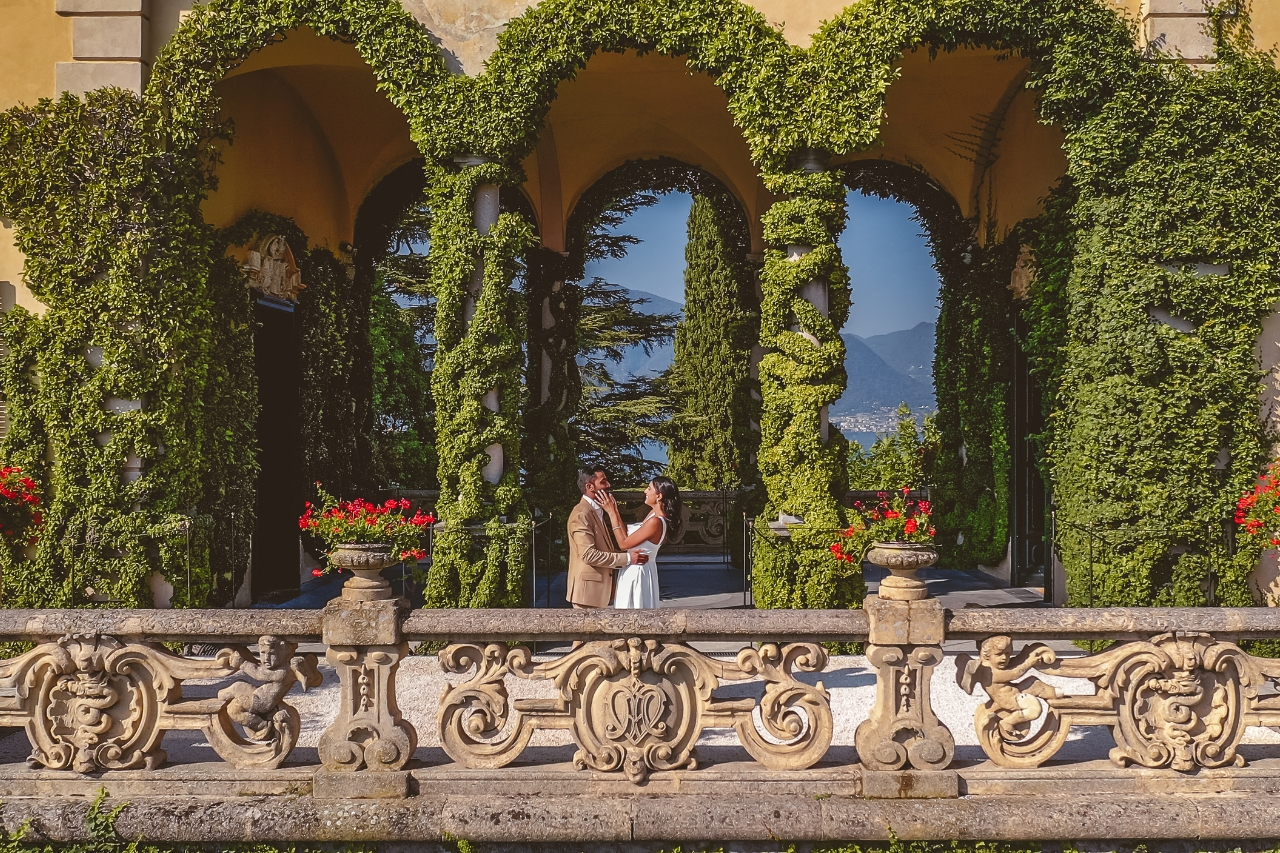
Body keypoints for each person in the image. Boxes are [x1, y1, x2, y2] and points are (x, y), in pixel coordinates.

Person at [566, 466, 649, 609]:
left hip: (595, 593)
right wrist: (627, 559)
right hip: (587, 595)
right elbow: (588, 555)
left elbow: (603, 548)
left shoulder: (595, 510)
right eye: (603, 482)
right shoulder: (581, 514)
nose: (608, 485)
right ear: (590, 487)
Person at [600, 476, 683, 609]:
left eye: (649, 488)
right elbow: (628, 536)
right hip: (634, 567)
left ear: (659, 496)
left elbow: (623, 544)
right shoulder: (652, 514)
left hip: (638, 571)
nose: (645, 491)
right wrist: (615, 510)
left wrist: (611, 513)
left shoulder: (655, 522)